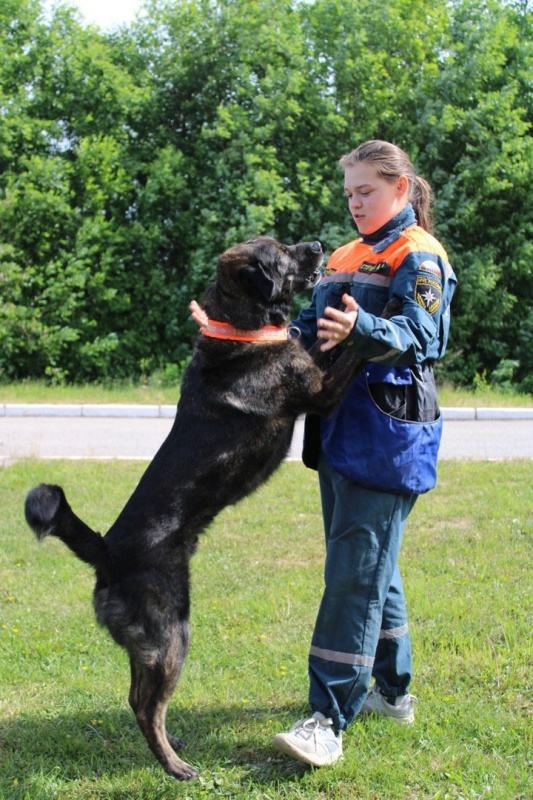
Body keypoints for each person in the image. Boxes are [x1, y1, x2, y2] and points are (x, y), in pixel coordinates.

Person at [190, 140, 457, 768]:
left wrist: (360, 329)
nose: (355, 202)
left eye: (366, 190)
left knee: (352, 579)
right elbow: (303, 330)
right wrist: (232, 329)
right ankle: (393, 694)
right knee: (370, 568)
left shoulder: (418, 254)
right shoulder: (344, 253)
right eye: (349, 193)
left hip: (388, 441)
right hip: (339, 433)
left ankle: (326, 719)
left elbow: (425, 338)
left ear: (400, 187)